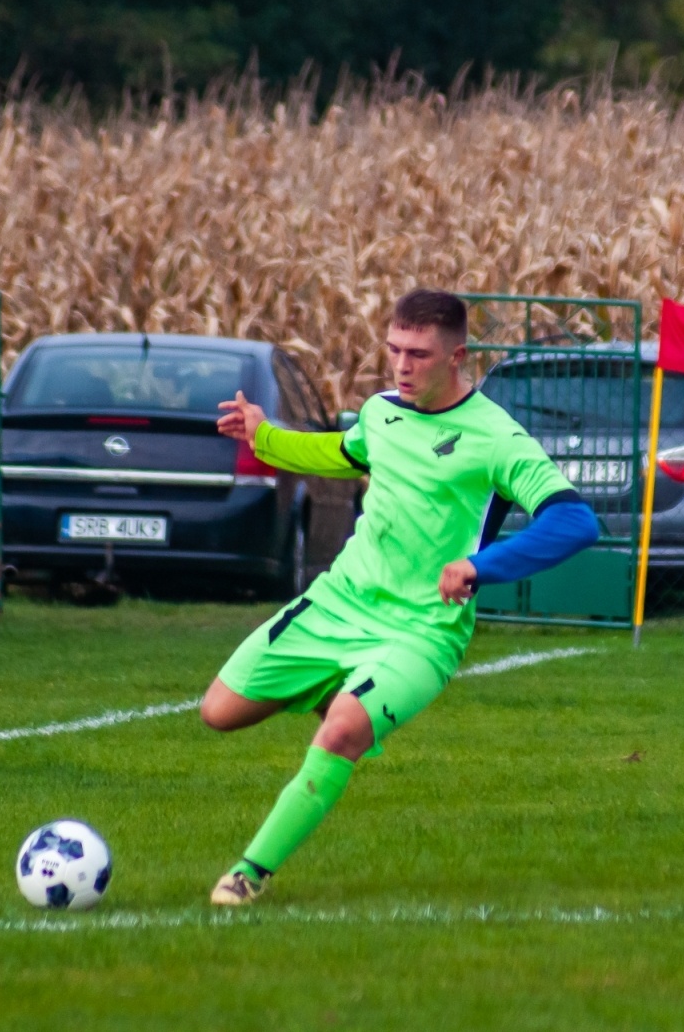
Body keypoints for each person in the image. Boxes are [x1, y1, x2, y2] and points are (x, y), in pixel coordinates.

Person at [200, 288, 600, 904]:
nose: (402, 366)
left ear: (457, 357)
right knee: (219, 712)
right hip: (339, 601)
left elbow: (574, 521)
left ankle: (248, 874)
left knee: (340, 733)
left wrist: (480, 566)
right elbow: (342, 452)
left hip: (423, 629)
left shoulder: (497, 437)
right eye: (394, 350)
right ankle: (345, 693)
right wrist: (265, 436)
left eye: (418, 354)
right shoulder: (382, 412)